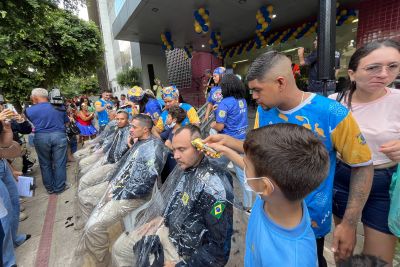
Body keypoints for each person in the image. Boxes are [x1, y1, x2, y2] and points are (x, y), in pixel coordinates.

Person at [204, 51, 374, 266]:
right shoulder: (265, 111)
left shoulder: (332, 113)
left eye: (257, 90)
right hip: (269, 208)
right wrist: (227, 143)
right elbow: (259, 155)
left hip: (311, 220)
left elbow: (362, 166)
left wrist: (349, 223)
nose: (253, 97)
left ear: (280, 82)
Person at [112, 125, 234, 267]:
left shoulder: (215, 186)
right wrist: (163, 217)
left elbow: (218, 251)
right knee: (120, 248)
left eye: (181, 149)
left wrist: (181, 265)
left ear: (199, 147)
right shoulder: (186, 167)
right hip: (168, 230)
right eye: (174, 149)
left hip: (186, 254)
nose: (175, 156)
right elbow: (177, 200)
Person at [329, 39, 400, 265]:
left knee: (378, 259)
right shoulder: (335, 103)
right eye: (373, 67)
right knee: (343, 247)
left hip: (384, 184)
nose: (383, 74)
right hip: (344, 177)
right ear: (352, 73)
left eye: (392, 66)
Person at [217, 124, 328, 266]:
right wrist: (225, 150)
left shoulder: (291, 261)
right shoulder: (282, 196)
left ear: (265, 186)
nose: (245, 169)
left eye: (247, 165)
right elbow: (255, 173)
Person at [74, 114, 169, 265]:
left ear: (145, 129)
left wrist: (118, 193)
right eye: (130, 126)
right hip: (119, 187)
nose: (130, 129)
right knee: (85, 196)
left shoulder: (154, 148)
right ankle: (92, 238)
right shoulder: (140, 142)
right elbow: (126, 168)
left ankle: (100, 261)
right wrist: (112, 183)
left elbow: (145, 184)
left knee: (94, 226)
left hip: (133, 196)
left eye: (134, 127)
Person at [210, 74, 251, 210]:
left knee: (213, 168)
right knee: (243, 173)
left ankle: (219, 198)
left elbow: (220, 126)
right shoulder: (242, 100)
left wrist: (212, 125)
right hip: (242, 140)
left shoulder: (224, 103)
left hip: (227, 142)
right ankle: (248, 204)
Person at [25, 88, 70, 194]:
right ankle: (59, 187)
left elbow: (32, 124)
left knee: (45, 163)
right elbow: (66, 123)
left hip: (41, 137)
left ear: (35, 97)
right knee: (60, 163)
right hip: (59, 136)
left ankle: (49, 188)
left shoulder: (28, 110)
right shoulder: (60, 107)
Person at [77, 110, 131, 191]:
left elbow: (122, 152)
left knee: (86, 179)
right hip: (108, 157)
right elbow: (110, 142)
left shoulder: (129, 132)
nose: (119, 121)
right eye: (117, 119)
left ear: (128, 120)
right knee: (84, 170)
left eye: (122, 119)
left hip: (115, 164)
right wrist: (102, 150)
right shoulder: (118, 128)